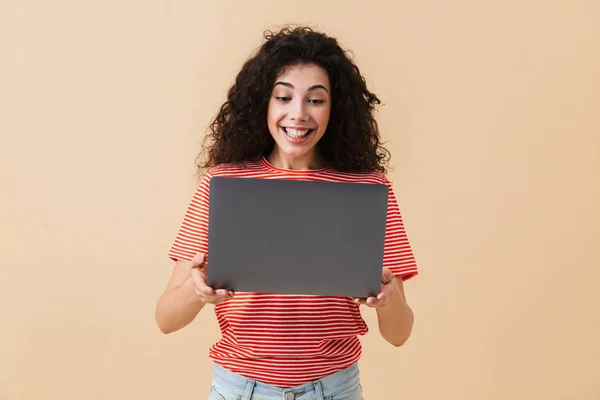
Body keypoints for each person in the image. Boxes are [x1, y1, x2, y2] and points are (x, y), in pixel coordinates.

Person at [155, 26, 419, 400]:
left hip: (335, 390)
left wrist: (389, 299)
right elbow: (166, 319)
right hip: (239, 390)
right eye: (283, 97)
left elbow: (399, 334)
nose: (298, 115)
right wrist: (196, 292)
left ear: (335, 108)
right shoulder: (223, 184)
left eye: (315, 100)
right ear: (263, 102)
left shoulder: (367, 190)